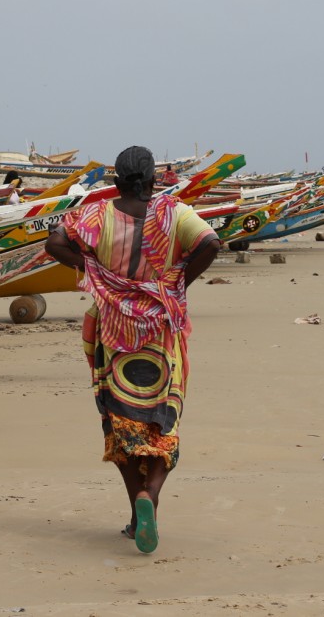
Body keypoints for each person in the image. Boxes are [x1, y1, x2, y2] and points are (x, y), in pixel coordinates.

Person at [46, 145, 221, 555]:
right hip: (161, 331)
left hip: (113, 330)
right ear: (153, 180)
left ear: (117, 180)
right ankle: (151, 499)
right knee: (163, 420)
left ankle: (136, 510)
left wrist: (97, 272)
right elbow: (211, 243)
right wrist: (175, 286)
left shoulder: (97, 214)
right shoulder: (173, 212)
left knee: (121, 422)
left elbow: (55, 243)